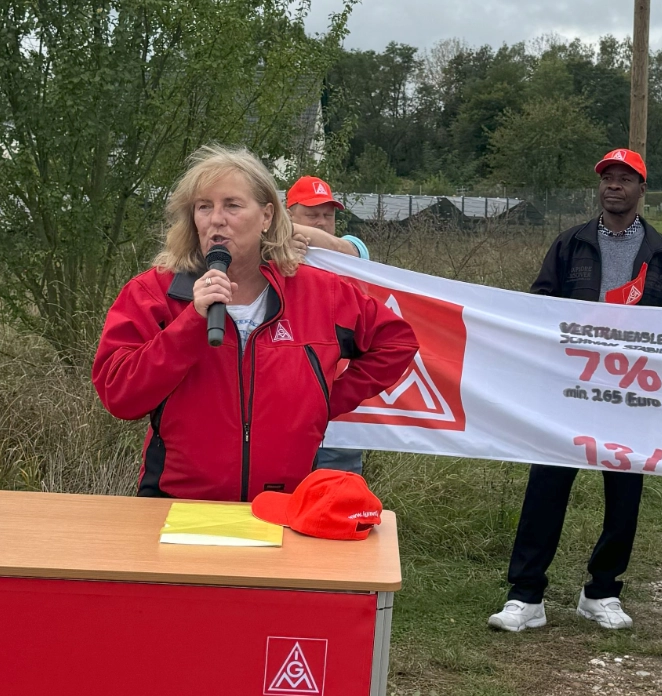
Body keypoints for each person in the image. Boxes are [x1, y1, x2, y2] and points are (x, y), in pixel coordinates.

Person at [91, 146, 418, 501]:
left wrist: (324, 399)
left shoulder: (320, 293)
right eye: (204, 206)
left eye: (232, 205)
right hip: (176, 506)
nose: (217, 219)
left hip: (284, 507)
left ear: (266, 216)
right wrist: (190, 324)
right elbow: (118, 394)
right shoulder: (153, 292)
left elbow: (397, 342)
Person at [487, 148, 662, 632]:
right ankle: (526, 595)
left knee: (624, 495)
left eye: (625, 179)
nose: (614, 186)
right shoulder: (570, 243)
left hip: (630, 391)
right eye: (607, 179)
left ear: (643, 190)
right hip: (570, 389)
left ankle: (601, 591)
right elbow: (540, 304)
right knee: (547, 486)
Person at [285, 174, 371, 474]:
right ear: (288, 212)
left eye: (328, 215)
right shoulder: (270, 252)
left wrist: (282, 232)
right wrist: (279, 252)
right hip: (285, 408)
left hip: (338, 414)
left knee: (337, 499)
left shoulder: (350, 250)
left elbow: (345, 250)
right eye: (311, 214)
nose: (321, 222)